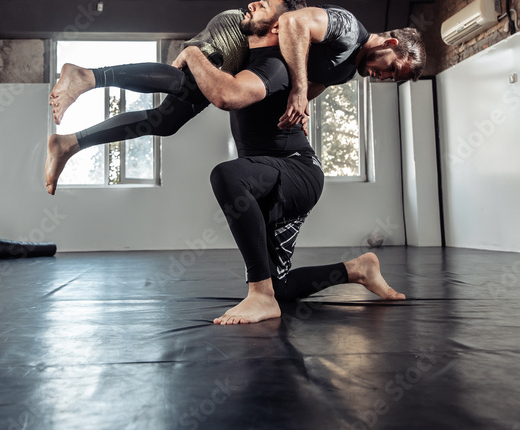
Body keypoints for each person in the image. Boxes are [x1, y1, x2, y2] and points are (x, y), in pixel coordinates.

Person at [174, 16, 406, 325]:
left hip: (297, 170)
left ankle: (259, 295)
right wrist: (299, 98)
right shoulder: (260, 69)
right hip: (270, 180)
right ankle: (358, 269)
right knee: (280, 287)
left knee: (228, 175)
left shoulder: (275, 67)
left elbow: (225, 95)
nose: (383, 76)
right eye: (391, 69)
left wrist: (191, 53)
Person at [43, 0, 306, 195]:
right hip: (236, 33)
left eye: (263, 5)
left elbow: (301, 79)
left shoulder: (293, 51)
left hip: (246, 49)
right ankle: (86, 76)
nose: (253, 3)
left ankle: (69, 142)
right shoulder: (303, 34)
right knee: (188, 84)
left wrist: (301, 100)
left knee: (166, 121)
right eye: (259, 0)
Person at [275, 5, 427, 130]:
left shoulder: (347, 73)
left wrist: (298, 112)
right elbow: (292, 21)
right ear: (390, 44)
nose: (383, 77)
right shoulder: (348, 29)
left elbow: (300, 95)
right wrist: (300, 89)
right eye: (393, 68)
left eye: (391, 78)